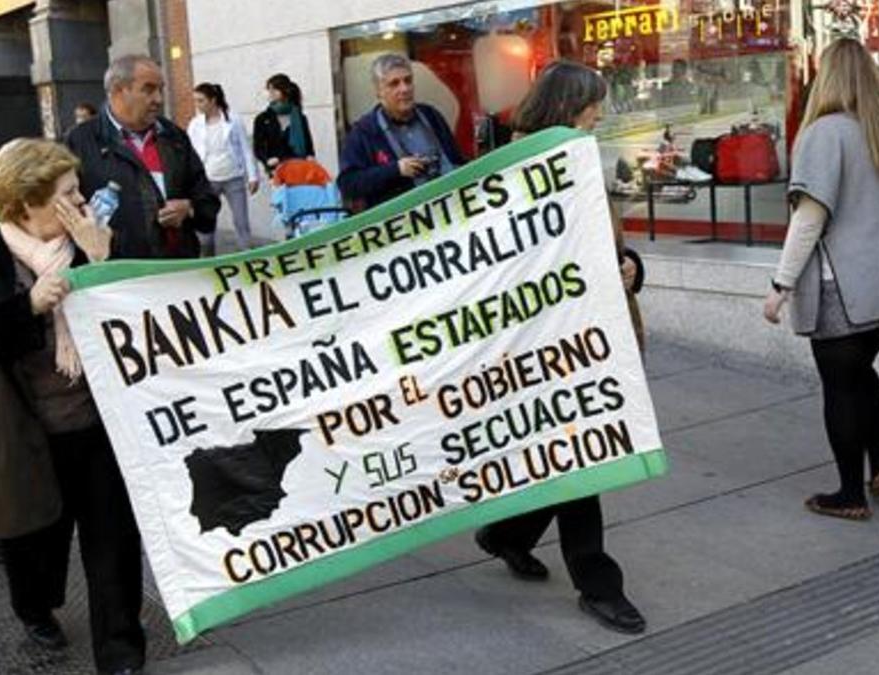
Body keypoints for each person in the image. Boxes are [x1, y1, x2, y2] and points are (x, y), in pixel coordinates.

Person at [473, 60, 646, 635]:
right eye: (593, 103)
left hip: (597, 329)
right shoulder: (513, 170)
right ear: (567, 105)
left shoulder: (581, 157)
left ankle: (507, 534)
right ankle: (599, 584)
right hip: (549, 340)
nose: (600, 113)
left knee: (573, 455)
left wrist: (628, 267)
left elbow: (608, 243)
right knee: (581, 458)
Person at [763, 38, 879, 521]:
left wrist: (780, 287)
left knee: (839, 385)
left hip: (846, 289)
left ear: (826, 77)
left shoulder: (823, 134)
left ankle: (849, 494)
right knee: (860, 372)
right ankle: (878, 465)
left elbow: (809, 220)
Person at [0, 138, 145, 675]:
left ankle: (122, 650)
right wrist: (28, 307)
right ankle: (34, 608)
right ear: (25, 204)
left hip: (95, 421)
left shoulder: (92, 241)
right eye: (67, 193)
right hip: (25, 431)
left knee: (112, 540)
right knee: (36, 539)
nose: (82, 201)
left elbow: (135, 315)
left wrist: (101, 260)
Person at [66, 54, 219, 259]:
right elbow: (65, 214)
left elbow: (207, 199)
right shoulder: (79, 142)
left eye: (160, 89)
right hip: (121, 277)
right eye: (148, 89)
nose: (158, 99)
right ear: (118, 91)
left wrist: (189, 209)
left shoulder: (174, 137)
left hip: (180, 271)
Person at [337, 54, 465, 211]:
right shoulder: (364, 132)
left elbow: (457, 160)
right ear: (379, 91)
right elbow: (348, 184)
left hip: (452, 209)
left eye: (408, 80)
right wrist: (396, 170)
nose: (404, 89)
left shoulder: (431, 115)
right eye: (394, 84)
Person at [187, 82, 261, 254]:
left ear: (213, 100)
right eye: (196, 101)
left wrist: (253, 176)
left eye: (201, 101)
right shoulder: (195, 124)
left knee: (241, 221)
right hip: (208, 179)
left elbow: (245, 148)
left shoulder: (233, 119)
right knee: (207, 222)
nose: (197, 105)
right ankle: (209, 258)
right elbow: (189, 153)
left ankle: (247, 256)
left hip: (233, 177)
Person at [253, 73, 315, 175]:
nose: (270, 93)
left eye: (274, 89)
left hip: (300, 168)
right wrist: (267, 159)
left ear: (285, 91)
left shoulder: (300, 117)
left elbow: (309, 146)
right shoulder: (263, 119)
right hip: (276, 170)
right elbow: (258, 147)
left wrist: (310, 156)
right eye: (269, 89)